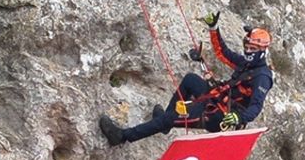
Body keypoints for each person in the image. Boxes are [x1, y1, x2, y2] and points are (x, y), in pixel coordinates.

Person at [98, 11, 274, 145]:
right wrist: (214, 29)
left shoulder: (262, 77)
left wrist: (239, 118)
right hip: (215, 98)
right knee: (190, 80)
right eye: (248, 47)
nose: (249, 52)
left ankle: (122, 137)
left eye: (253, 49)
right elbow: (223, 53)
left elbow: (256, 106)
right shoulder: (247, 64)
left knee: (169, 118)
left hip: (219, 116)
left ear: (262, 51)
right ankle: (165, 122)